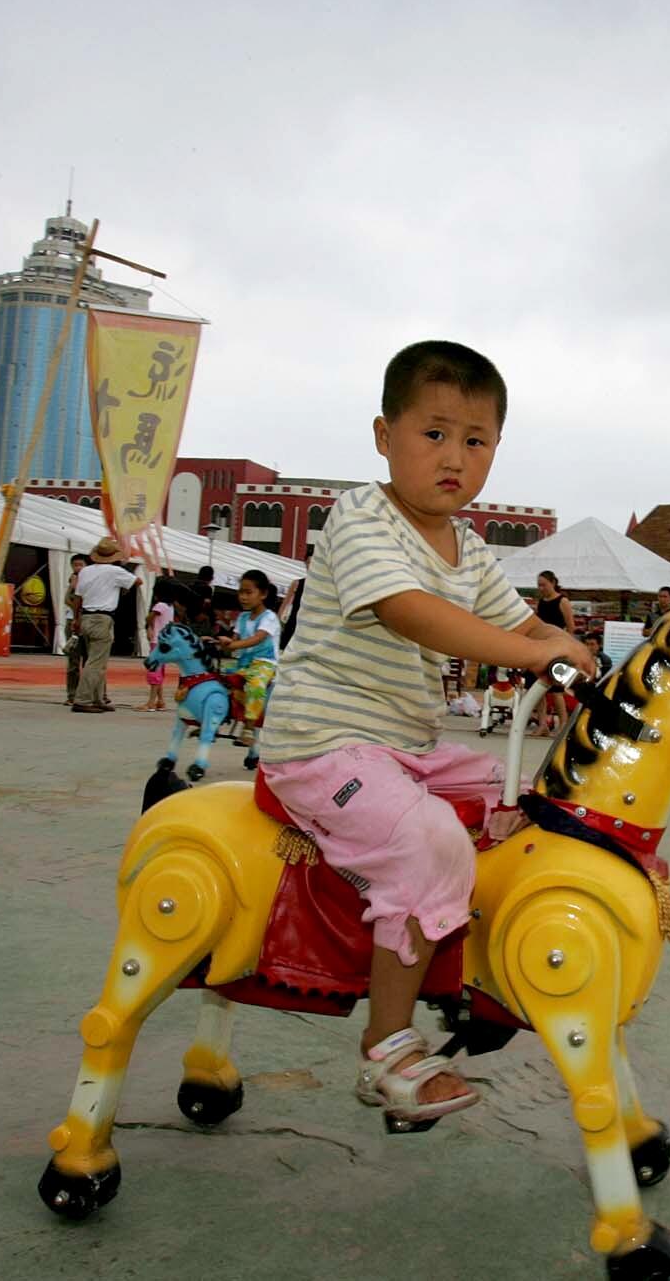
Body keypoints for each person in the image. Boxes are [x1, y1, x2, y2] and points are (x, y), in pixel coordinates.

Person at [254, 340, 591, 1127]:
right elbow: (411, 610)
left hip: (405, 745)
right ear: (383, 434)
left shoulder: (466, 543)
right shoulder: (361, 515)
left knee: (520, 800)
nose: (454, 458)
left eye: (475, 442)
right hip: (324, 741)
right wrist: (535, 650)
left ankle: (471, 980)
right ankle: (387, 1048)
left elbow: (517, 618)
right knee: (429, 839)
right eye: (433, 434)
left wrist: (582, 658)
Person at [217, 569, 283, 767]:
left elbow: (257, 639)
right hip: (244, 663)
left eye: (248, 592)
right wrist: (223, 642)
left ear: (262, 594)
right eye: (241, 592)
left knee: (255, 685)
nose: (243, 597)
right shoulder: (243, 618)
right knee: (219, 683)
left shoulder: (269, 618)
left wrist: (234, 645)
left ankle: (248, 727)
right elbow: (236, 639)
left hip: (264, 663)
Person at [70, 537, 140, 713]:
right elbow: (138, 581)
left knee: (94, 660)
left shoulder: (85, 572)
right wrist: (122, 589)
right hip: (103, 618)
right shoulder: (115, 571)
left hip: (86, 616)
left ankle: (98, 698)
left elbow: (78, 597)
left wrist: (76, 618)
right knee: (96, 662)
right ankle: (83, 700)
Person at [531, 570, 576, 736]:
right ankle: (542, 724)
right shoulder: (541, 603)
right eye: (539, 585)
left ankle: (563, 724)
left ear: (553, 583)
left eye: (544, 584)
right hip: (542, 647)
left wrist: (566, 648)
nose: (541, 588)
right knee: (538, 687)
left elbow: (571, 627)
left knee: (557, 690)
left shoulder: (562, 601)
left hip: (559, 648)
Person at [138, 595, 177, 711]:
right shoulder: (170, 607)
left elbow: (149, 617)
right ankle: (160, 700)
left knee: (154, 671)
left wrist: (149, 626)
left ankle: (151, 702)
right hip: (166, 641)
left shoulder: (159, 605)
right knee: (159, 672)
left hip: (157, 641)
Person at [62, 554, 89, 706]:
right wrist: (72, 587)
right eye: (75, 564)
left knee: (88, 660)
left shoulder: (91, 580)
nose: (78, 568)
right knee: (73, 661)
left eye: (81, 564)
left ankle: (86, 693)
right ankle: (72, 694)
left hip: (87, 621)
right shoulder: (72, 580)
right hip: (72, 621)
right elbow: (67, 601)